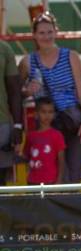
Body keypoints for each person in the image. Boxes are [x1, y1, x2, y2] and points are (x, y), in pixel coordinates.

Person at [19, 11, 81, 184]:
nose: (46, 36)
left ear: (56, 32)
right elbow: (17, 93)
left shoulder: (71, 57)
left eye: (50, 32)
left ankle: (70, 208)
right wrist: (27, 91)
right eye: (42, 33)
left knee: (74, 172)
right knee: (48, 174)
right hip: (47, 124)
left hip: (73, 121)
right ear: (35, 36)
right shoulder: (27, 62)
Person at [21, 97, 66, 185]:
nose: (47, 115)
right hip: (33, 181)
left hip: (50, 181)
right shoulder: (31, 135)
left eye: (50, 112)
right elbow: (26, 155)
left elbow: (61, 160)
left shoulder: (57, 135)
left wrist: (59, 180)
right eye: (43, 112)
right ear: (36, 114)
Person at [0, 40, 24, 186]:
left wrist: (17, 125)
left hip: (1, 124)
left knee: (1, 184)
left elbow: (14, 90)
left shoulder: (4, 49)